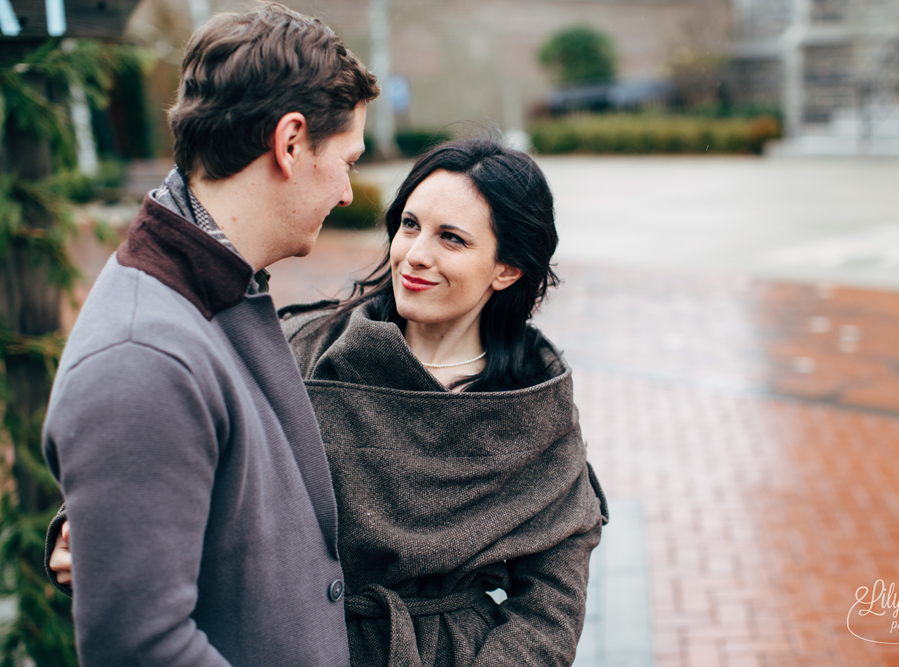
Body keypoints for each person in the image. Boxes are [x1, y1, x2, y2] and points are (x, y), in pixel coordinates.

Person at [51, 137, 608, 666]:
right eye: (409, 226)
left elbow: (552, 597)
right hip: (298, 640)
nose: (414, 254)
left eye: (451, 238)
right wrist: (84, 528)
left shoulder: (534, 401)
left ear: (507, 268)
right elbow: (183, 437)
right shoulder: (308, 350)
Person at [41, 3, 379, 665]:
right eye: (347, 160)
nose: (346, 192)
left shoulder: (214, 281)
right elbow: (141, 647)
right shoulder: (143, 355)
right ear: (289, 142)